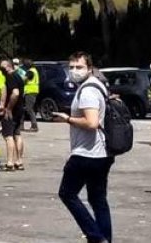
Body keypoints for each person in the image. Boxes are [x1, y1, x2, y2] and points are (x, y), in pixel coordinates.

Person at [55, 52, 113, 243]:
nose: (74, 71)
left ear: (89, 69)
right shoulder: (99, 86)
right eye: (71, 67)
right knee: (98, 200)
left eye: (79, 67)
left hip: (86, 153)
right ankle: (104, 238)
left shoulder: (87, 90)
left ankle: (96, 237)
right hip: (102, 153)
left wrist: (68, 119)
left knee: (67, 193)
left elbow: (92, 123)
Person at [0, 59, 25, 170]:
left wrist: (8, 108)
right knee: (17, 135)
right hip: (19, 110)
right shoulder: (18, 76)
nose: (1, 70)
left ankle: (10, 162)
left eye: (2, 67)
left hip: (11, 111)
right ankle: (19, 161)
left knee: (8, 136)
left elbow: (15, 93)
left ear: (8, 66)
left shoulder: (10, 77)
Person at [21, 58, 40, 132]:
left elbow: (23, 79)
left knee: (29, 109)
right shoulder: (34, 70)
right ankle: (21, 125)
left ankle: (34, 126)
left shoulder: (30, 72)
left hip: (30, 91)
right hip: (32, 91)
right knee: (24, 108)